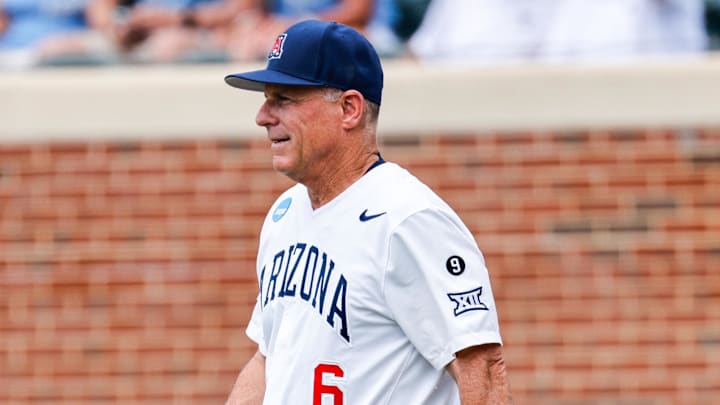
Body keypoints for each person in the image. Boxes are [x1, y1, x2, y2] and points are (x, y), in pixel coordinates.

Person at [223, 19, 512, 404]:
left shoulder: (409, 218)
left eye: (284, 99)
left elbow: (483, 369)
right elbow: (267, 358)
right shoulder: (284, 212)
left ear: (349, 108)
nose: (263, 116)